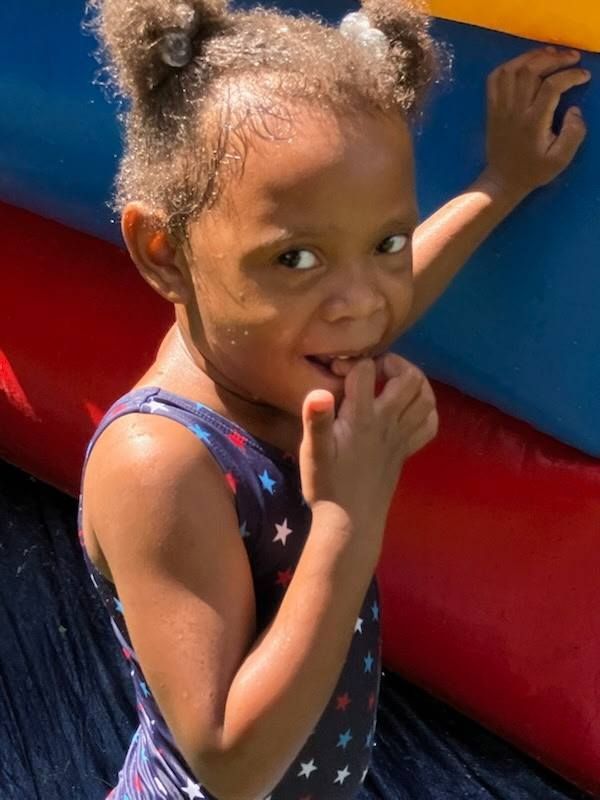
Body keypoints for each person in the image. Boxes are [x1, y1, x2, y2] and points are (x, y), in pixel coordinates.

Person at [79, 1, 590, 798]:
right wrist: (348, 517)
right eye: (297, 258)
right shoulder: (158, 465)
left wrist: (502, 182)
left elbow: (393, 294)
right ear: (164, 252)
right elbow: (229, 762)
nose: (362, 304)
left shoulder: (280, 353)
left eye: (385, 243)